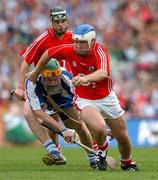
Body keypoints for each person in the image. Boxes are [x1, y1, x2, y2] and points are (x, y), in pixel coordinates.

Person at [27, 24, 140, 171]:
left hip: (107, 98)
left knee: (123, 136)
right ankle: (102, 150)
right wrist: (36, 71)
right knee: (99, 128)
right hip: (84, 99)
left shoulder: (100, 51)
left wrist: (85, 79)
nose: (78, 46)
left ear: (92, 41)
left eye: (82, 43)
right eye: (76, 42)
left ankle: (127, 163)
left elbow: (103, 73)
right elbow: (48, 52)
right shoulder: (70, 50)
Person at [13, 6, 72, 165]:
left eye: (63, 21)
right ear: (51, 22)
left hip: (63, 82)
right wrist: (19, 87)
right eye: (57, 21)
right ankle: (52, 149)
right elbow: (25, 63)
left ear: (67, 21)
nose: (60, 24)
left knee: (56, 116)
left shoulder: (73, 38)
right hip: (41, 83)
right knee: (28, 113)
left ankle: (96, 150)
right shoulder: (42, 39)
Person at [25, 58, 98, 169]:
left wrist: (90, 126)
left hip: (63, 99)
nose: (54, 81)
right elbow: (39, 113)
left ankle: (93, 159)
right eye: (49, 77)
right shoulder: (32, 81)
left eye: (56, 75)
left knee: (79, 126)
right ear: (41, 73)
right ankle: (53, 150)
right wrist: (63, 130)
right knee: (29, 113)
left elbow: (80, 103)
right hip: (43, 98)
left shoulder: (67, 78)